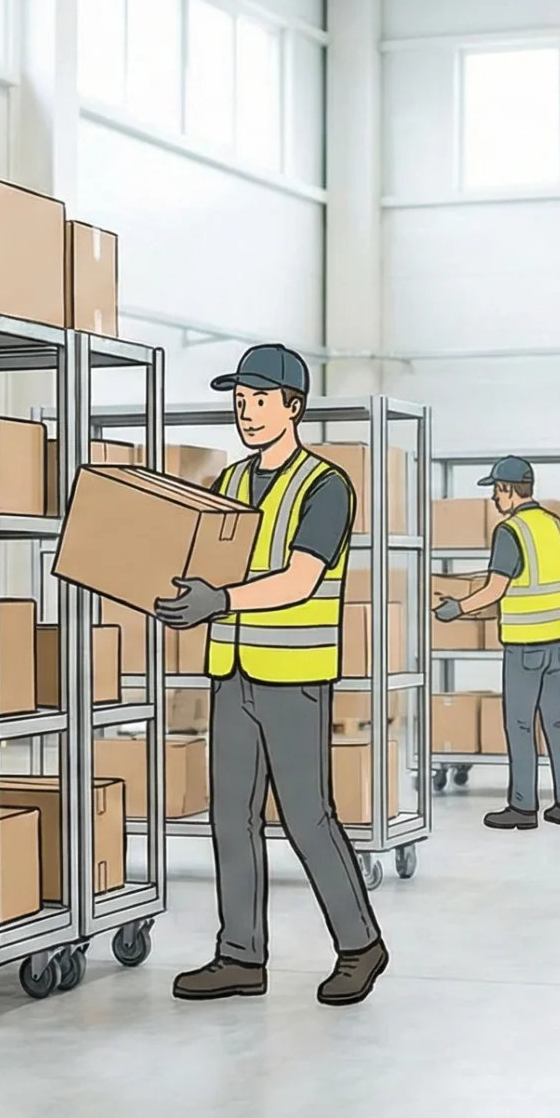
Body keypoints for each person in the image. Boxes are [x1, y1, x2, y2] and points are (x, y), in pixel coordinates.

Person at [156, 344, 389, 1007]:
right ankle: (240, 954)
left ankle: (360, 945)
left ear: (294, 406)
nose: (248, 413)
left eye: (260, 401)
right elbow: (207, 562)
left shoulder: (326, 486)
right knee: (230, 815)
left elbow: (300, 578)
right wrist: (184, 595)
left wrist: (220, 600)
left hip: (293, 674)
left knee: (307, 815)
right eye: (239, 402)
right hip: (232, 671)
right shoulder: (228, 483)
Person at [434, 457, 560, 830]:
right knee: (557, 723)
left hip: (525, 642)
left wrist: (457, 608)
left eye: (496, 491)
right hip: (559, 638)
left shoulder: (510, 530)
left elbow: (496, 588)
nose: (495, 499)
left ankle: (522, 807)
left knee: (519, 724)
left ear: (508, 490)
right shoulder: (552, 524)